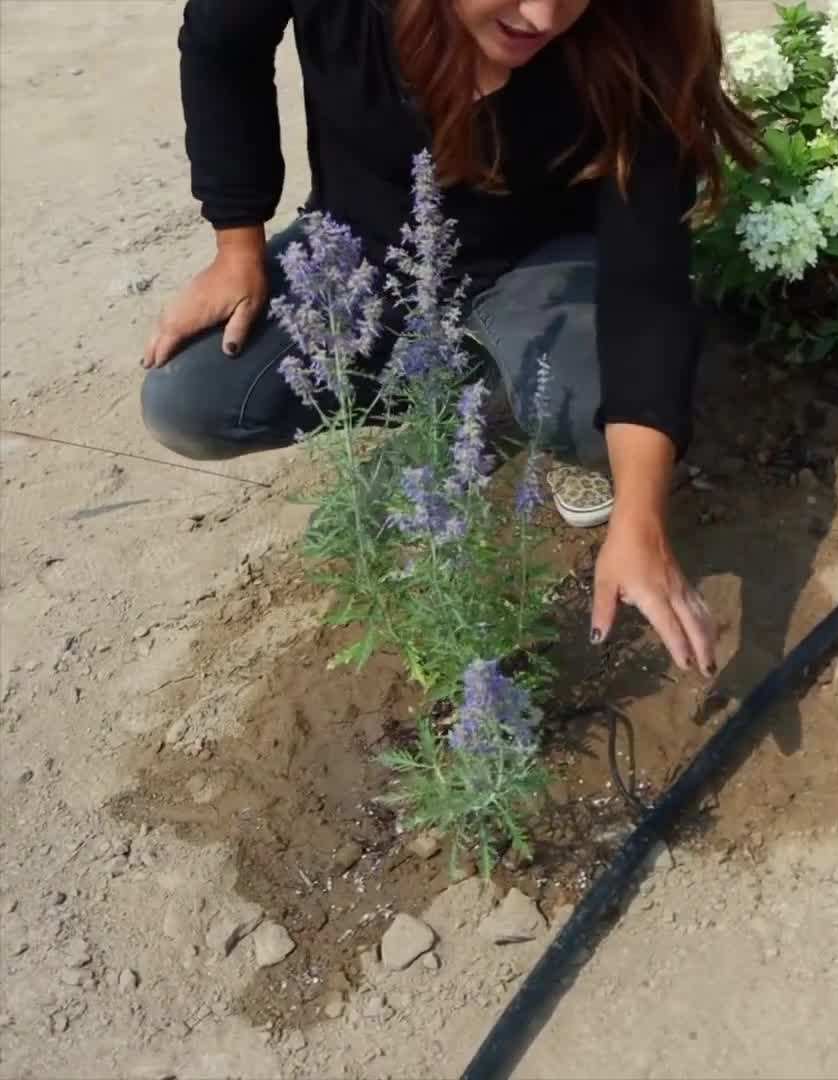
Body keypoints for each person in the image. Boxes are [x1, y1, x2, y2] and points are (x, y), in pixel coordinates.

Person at [139, 0, 761, 677]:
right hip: (370, 254)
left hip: (540, 267)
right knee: (190, 399)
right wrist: (238, 242)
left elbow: (648, 284)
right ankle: (470, 404)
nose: (545, 15)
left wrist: (642, 521)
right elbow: (221, 41)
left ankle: (497, 416)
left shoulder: (638, 28)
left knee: (601, 410)